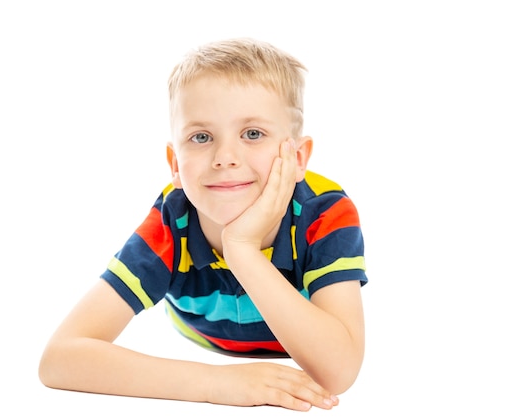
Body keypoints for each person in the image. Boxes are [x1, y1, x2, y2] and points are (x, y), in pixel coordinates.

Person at [38, 37, 368, 412]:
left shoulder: (326, 214)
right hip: (199, 338)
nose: (225, 157)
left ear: (297, 157)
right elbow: (59, 358)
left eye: (253, 134)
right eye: (201, 137)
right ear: (175, 163)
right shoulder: (171, 221)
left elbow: (338, 371)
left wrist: (242, 249)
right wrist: (214, 382)